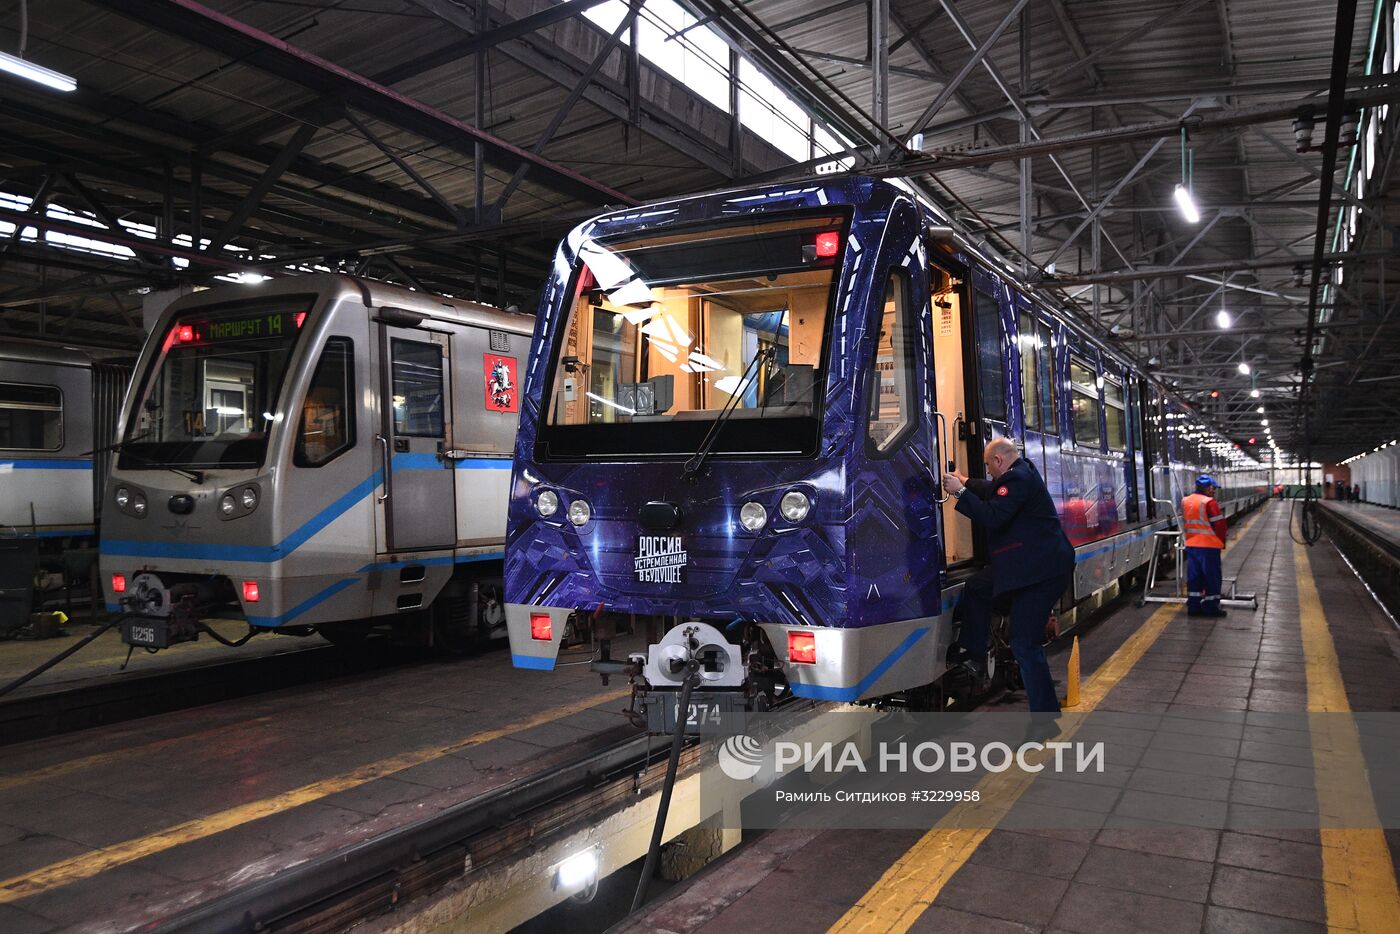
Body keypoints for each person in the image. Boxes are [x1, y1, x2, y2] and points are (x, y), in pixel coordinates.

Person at [942, 438, 1075, 715]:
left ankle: (1044, 717)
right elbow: (992, 488)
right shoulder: (1020, 473)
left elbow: (992, 516)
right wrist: (965, 480)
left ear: (999, 461)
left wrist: (960, 493)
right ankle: (974, 655)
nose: (989, 471)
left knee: (1024, 643)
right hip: (1026, 564)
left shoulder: (1018, 480)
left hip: (1041, 573)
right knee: (978, 586)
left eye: (989, 465)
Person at [1180, 475, 1228, 617]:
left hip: (1192, 545)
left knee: (1194, 576)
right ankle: (1211, 607)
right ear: (1207, 488)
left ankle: (1193, 606)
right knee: (1211, 576)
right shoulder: (1209, 502)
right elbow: (1220, 525)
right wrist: (1221, 542)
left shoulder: (1185, 501)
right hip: (1209, 546)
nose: (1214, 491)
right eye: (1213, 488)